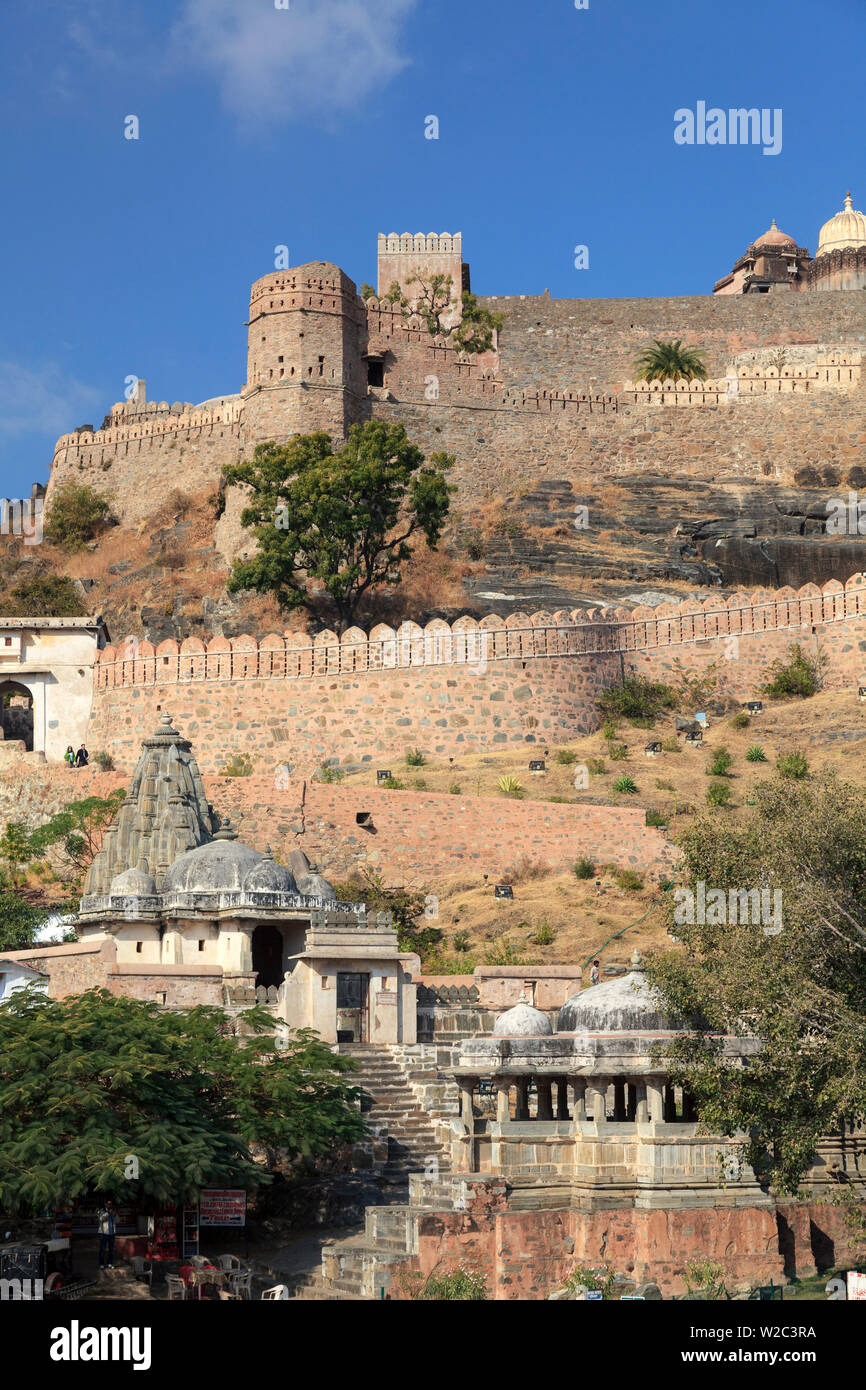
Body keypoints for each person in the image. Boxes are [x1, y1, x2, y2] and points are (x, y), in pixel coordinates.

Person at [97, 1199, 117, 1270]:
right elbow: (100, 1219)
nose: (109, 1205)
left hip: (112, 1233)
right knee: (102, 1249)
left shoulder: (113, 1211)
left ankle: (110, 1263)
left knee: (111, 1249)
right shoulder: (101, 1211)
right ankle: (102, 1264)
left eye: (111, 1204)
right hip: (103, 1233)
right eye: (108, 1204)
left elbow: (118, 1220)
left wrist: (115, 1215)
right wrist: (108, 1213)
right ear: (105, 1204)